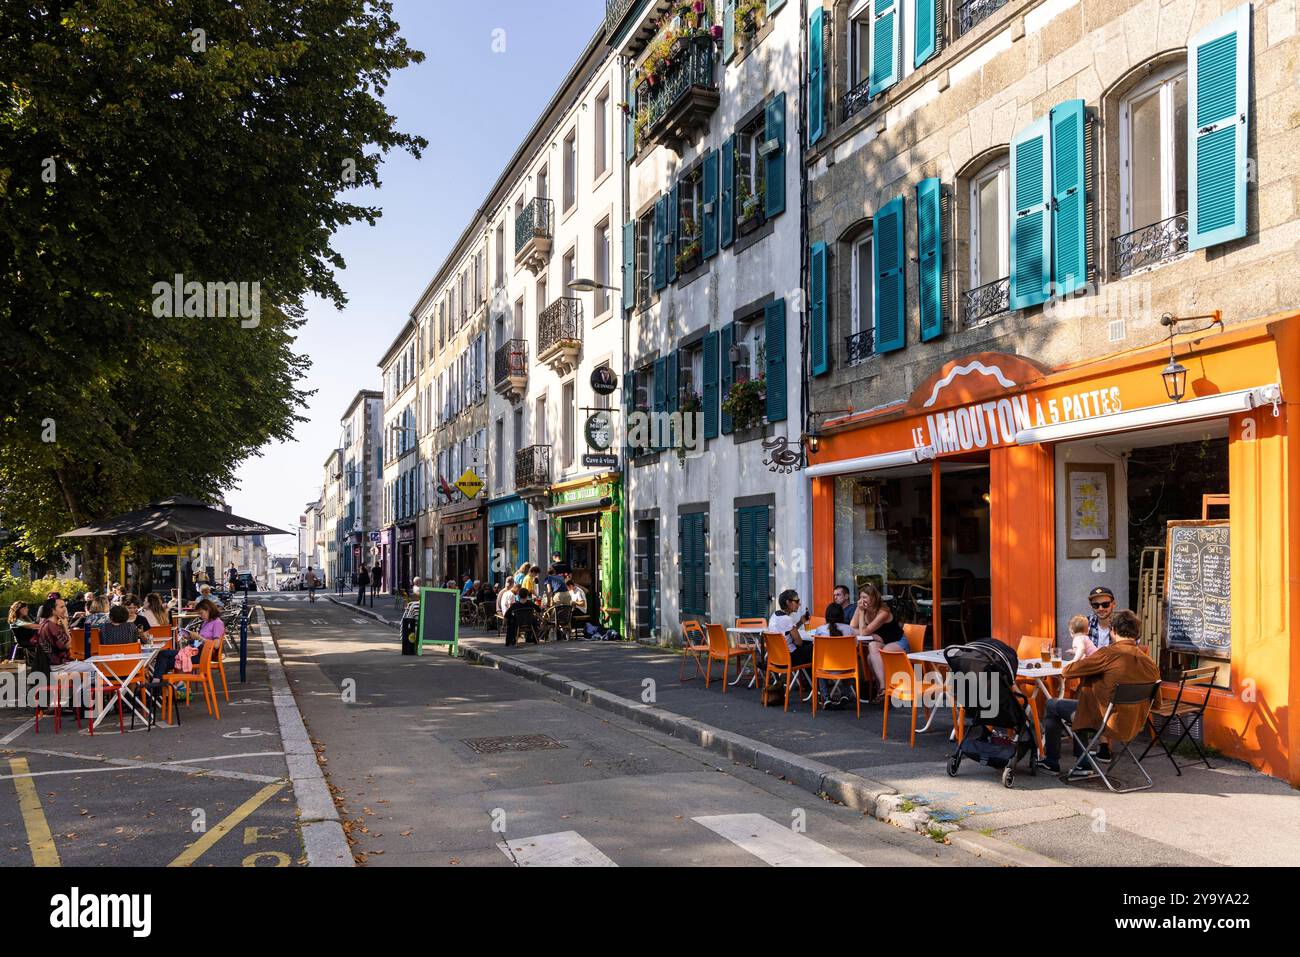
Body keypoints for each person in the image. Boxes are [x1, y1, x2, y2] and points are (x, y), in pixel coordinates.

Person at [1037, 609, 1161, 774]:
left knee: (1053, 704)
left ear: (1114, 631)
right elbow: (1157, 704)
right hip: (1133, 724)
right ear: (1136, 633)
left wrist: (1083, 660)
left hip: (1105, 723)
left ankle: (1053, 762)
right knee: (1083, 705)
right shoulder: (1150, 663)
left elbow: (1068, 671)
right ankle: (1082, 762)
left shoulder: (1108, 654)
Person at [852, 585, 907, 700]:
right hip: (884, 643)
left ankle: (884, 688)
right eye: (861, 597)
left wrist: (867, 631)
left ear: (873, 598)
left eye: (865, 597)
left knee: (884, 653)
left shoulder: (883, 612)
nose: (862, 601)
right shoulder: (861, 608)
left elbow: (863, 632)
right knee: (870, 656)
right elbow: (852, 627)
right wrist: (871, 635)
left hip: (898, 642)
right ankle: (881, 689)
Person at [151, 599, 224, 681]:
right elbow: (199, 643)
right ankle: (161, 686)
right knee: (164, 658)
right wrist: (190, 637)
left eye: (201, 613)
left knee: (164, 657)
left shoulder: (217, 623)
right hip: (195, 651)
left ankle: (158, 685)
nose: (200, 616)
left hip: (202, 655)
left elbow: (216, 645)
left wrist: (199, 638)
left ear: (208, 610)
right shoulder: (205, 622)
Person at [769, 588, 813, 669]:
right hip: (789, 658)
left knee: (808, 647)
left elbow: (788, 631)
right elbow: (799, 642)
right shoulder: (787, 619)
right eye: (797, 601)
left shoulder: (774, 615)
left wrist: (800, 622)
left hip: (776, 658)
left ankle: (805, 680)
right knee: (815, 648)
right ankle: (813, 681)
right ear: (788, 602)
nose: (799, 604)